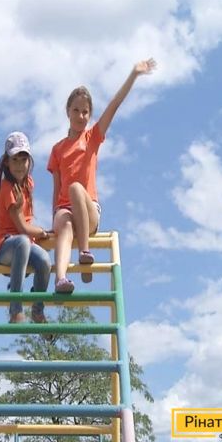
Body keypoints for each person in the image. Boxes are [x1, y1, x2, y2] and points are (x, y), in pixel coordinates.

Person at [47, 59, 156, 293]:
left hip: (89, 211)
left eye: (85, 112)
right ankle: (61, 279)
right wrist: (54, 217)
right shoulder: (57, 149)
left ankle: (84, 251)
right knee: (64, 224)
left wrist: (134, 74)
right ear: (68, 112)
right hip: (65, 210)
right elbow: (56, 188)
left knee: (76, 188)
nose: (80, 115)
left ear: (90, 115)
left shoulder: (92, 137)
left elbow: (115, 104)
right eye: (76, 110)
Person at [0, 132, 51, 324]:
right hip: (4, 247)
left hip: (24, 247)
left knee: (44, 260)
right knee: (23, 241)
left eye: (23, 160)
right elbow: (22, 227)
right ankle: (15, 309)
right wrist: (42, 232)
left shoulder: (28, 183)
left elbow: (27, 219)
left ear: (29, 162)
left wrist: (38, 235)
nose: (19, 165)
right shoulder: (7, 188)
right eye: (14, 160)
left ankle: (38, 309)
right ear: (6, 162)